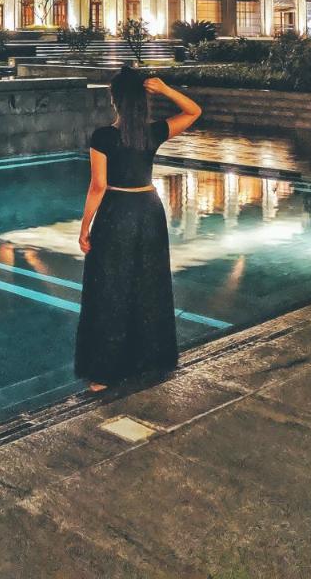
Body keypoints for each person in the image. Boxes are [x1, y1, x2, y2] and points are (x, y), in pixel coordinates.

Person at [74, 68, 202, 391]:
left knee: (109, 288)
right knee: (148, 284)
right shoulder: (152, 132)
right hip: (148, 210)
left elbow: (98, 186)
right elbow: (193, 111)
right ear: (143, 100)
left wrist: (84, 227)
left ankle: (104, 373)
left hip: (117, 211)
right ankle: (149, 360)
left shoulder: (103, 137)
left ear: (115, 100)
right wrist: (166, 90)